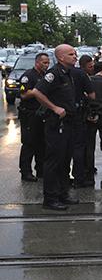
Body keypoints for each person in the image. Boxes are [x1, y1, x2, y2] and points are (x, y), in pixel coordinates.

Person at [32, 44, 81, 210]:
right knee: (54, 161)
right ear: (61, 57)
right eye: (71, 54)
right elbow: (37, 92)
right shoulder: (54, 74)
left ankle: (62, 193)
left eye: (75, 53)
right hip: (56, 124)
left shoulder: (68, 73)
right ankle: (50, 198)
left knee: (65, 160)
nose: (75, 56)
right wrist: (54, 108)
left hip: (68, 124)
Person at [17, 52, 51, 182]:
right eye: (44, 63)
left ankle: (41, 170)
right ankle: (25, 172)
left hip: (42, 115)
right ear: (37, 62)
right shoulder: (28, 76)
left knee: (42, 143)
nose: (46, 65)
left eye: (48, 63)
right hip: (29, 115)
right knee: (29, 143)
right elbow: (23, 94)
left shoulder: (45, 76)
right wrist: (38, 92)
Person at [71, 55, 96, 188]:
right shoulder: (82, 75)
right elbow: (92, 95)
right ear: (84, 65)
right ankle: (79, 178)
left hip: (65, 116)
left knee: (66, 148)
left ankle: (65, 177)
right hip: (78, 117)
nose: (92, 68)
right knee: (79, 148)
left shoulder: (68, 72)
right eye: (90, 66)